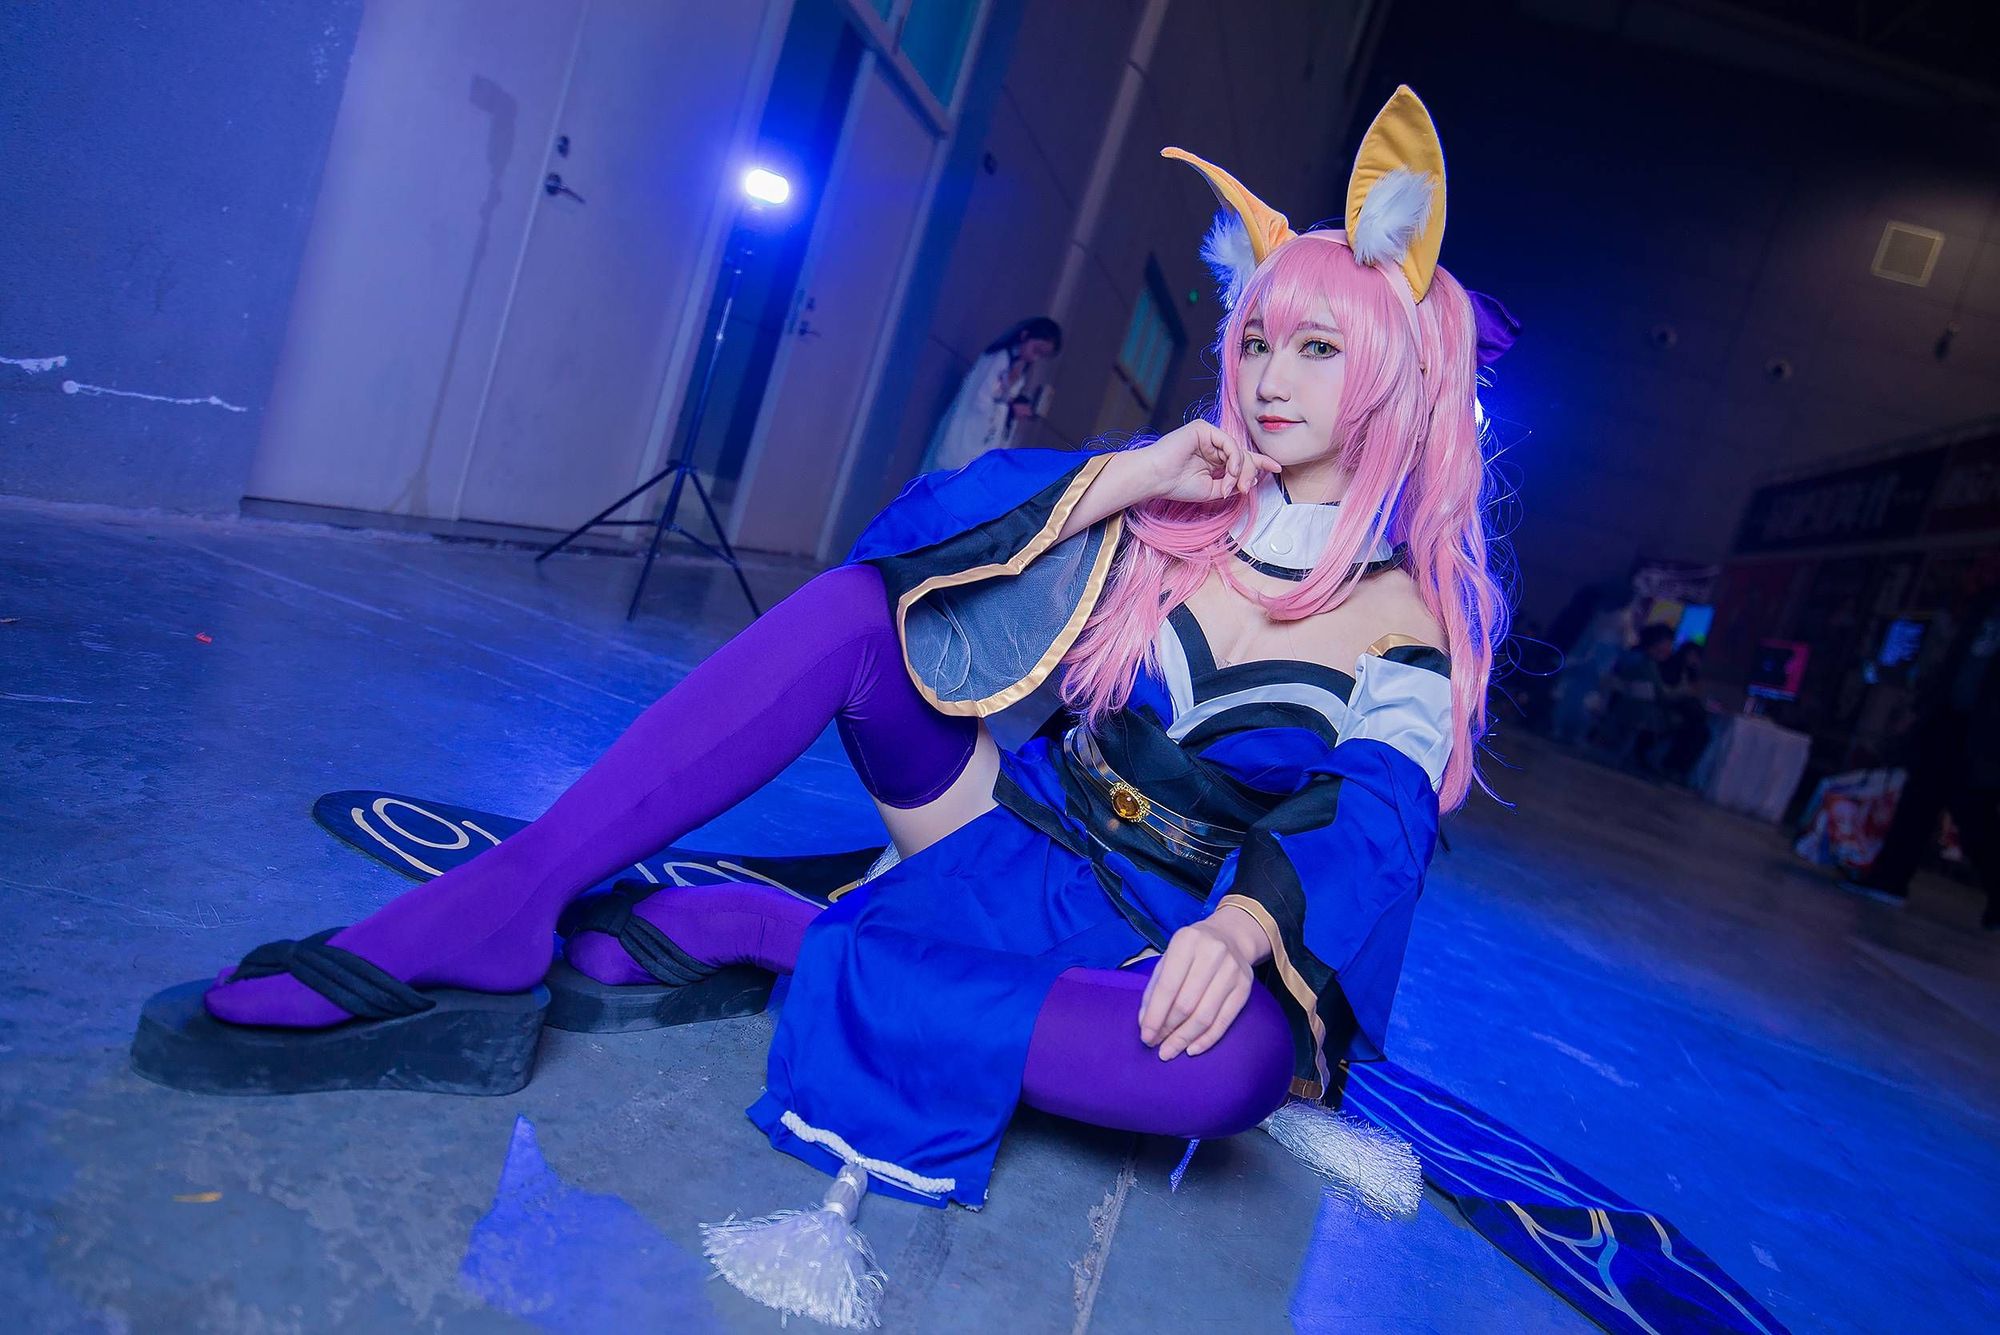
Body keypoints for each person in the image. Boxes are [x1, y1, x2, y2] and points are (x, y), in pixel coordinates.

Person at [143, 87, 1508, 1324]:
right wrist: (1127, 478)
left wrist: (1246, 921)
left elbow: (1378, 818)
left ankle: (778, 934)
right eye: (1256, 338)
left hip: (1169, 935)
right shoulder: (1177, 497)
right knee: (859, 614)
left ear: (1392, 374)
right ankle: (510, 897)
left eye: (1316, 348)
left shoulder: (1406, 622)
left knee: (1228, 1074)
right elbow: (910, 545)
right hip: (1002, 837)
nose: (1268, 378)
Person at [1851, 583, 2000, 930]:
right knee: (1918, 800)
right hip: (1948, 718)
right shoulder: (1985, 604)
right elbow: (1953, 662)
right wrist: (1923, 709)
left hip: (1985, 733)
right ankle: (1889, 880)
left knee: (1974, 816)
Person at [917, 316, 1062, 474]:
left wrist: (1011, 403)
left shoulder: (1020, 369)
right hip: (967, 431)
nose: (1034, 358)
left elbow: (1002, 400)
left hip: (982, 440)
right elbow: (981, 401)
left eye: (1040, 356)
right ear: (1025, 336)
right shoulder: (999, 358)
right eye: (1035, 350)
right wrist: (1008, 406)